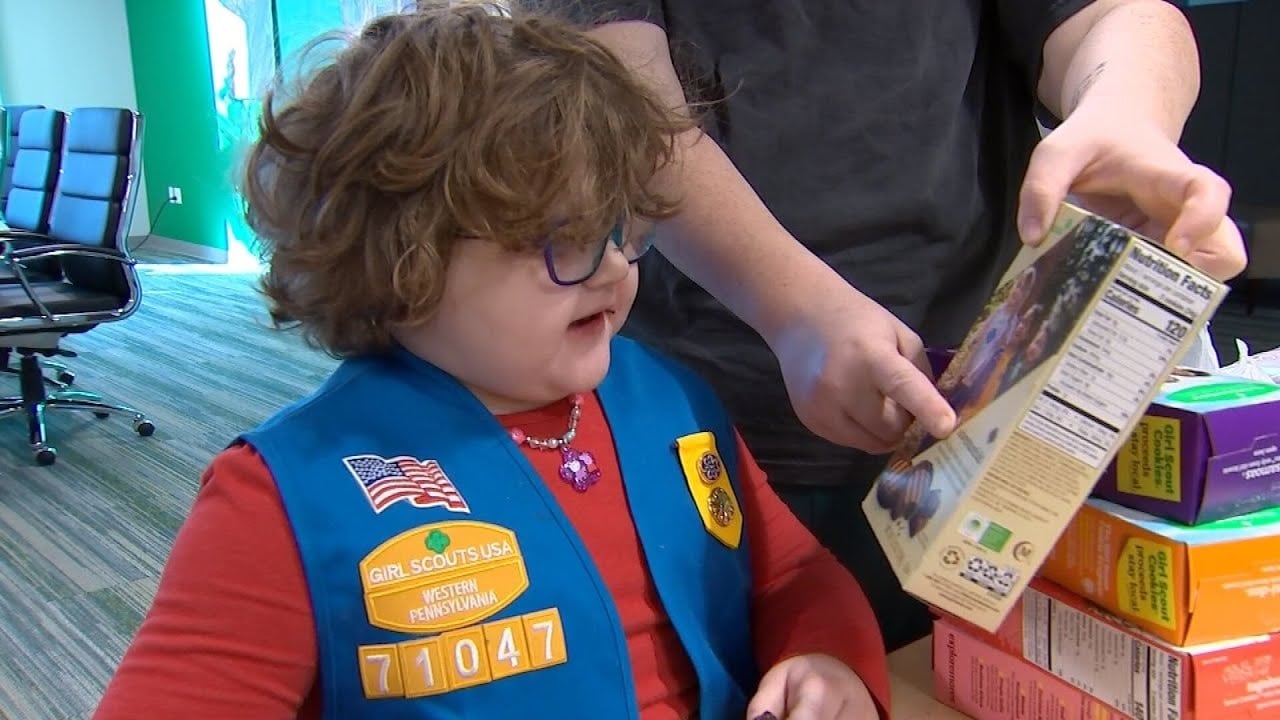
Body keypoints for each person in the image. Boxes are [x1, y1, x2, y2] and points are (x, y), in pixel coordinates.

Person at [95, 6, 890, 720]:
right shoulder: (282, 497)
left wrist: (830, 658)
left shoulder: (669, 397)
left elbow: (791, 578)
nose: (615, 266)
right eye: (563, 239)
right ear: (403, 261)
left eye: (619, 225)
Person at [543, 0, 1250, 650]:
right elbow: (621, 102)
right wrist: (796, 312)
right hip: (716, 445)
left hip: (986, 430)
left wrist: (1125, 113)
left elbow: (1118, 18)